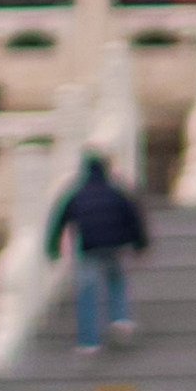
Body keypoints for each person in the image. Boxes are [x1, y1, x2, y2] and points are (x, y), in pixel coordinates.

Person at [45, 150, 150, 354]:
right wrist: (140, 245)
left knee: (87, 293)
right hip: (115, 245)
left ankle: (89, 341)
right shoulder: (117, 191)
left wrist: (52, 248)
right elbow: (133, 218)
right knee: (116, 281)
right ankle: (120, 319)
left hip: (89, 247)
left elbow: (60, 221)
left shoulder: (76, 193)